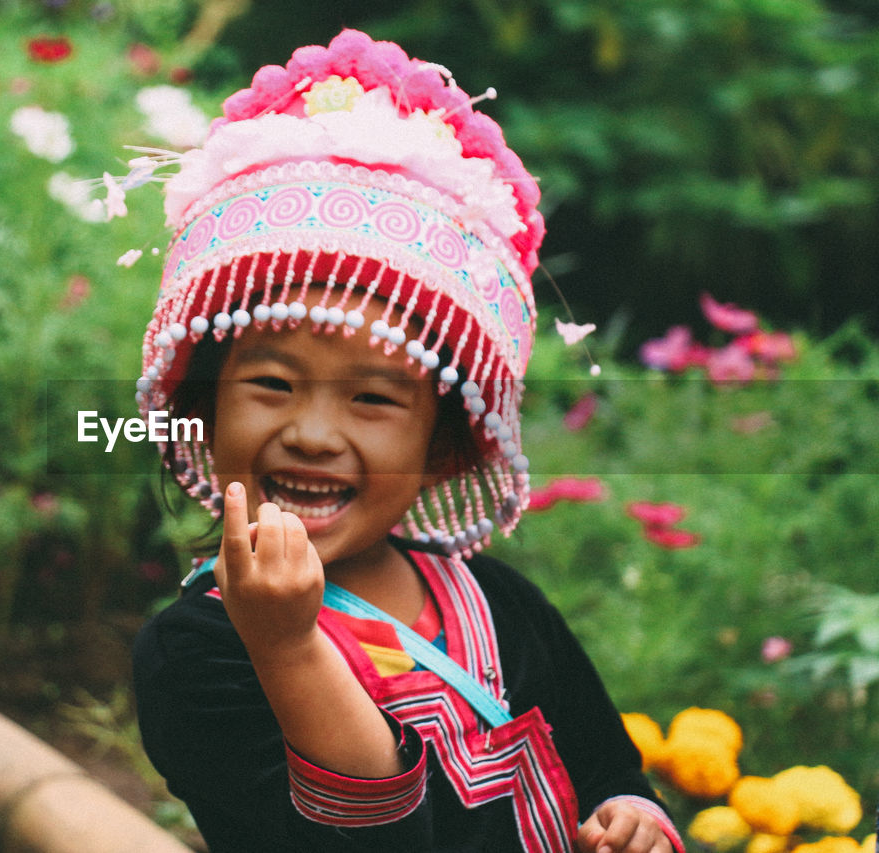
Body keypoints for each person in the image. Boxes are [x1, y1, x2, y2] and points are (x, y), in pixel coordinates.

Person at [128, 29, 686, 853]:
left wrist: (631, 819)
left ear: (447, 447)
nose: (314, 434)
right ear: (201, 413)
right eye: (272, 384)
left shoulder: (502, 607)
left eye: (374, 399)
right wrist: (286, 646)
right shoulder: (200, 650)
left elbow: (608, 768)